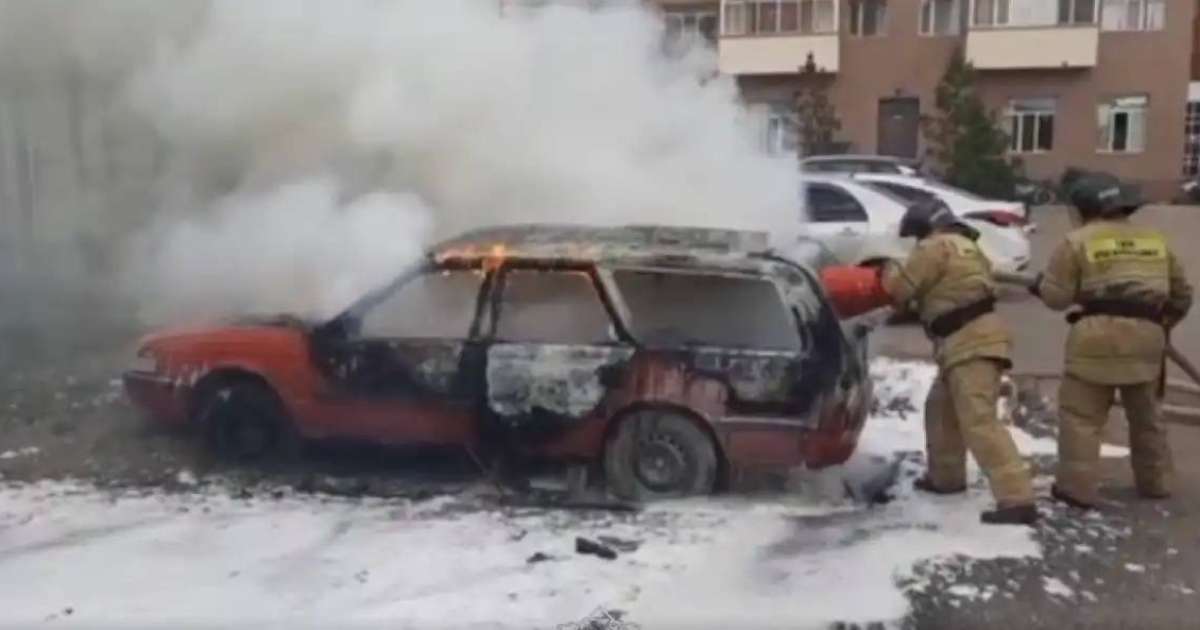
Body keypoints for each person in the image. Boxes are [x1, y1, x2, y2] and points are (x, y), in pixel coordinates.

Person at [1030, 177, 1193, 509]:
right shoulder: (1154, 240)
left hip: (1095, 336)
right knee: (1147, 416)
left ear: (1084, 209)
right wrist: (1162, 326)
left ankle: (1076, 489)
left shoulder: (1076, 241)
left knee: (1081, 418)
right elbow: (1182, 294)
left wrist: (1041, 285)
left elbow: (1057, 298)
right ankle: (1156, 483)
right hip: (1147, 337)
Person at [880, 199, 1037, 525]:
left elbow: (899, 292)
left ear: (923, 227)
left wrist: (888, 269)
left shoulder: (934, 247)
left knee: (979, 421)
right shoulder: (966, 245)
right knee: (941, 410)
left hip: (970, 342)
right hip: (967, 341)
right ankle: (945, 479)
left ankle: (1017, 499)